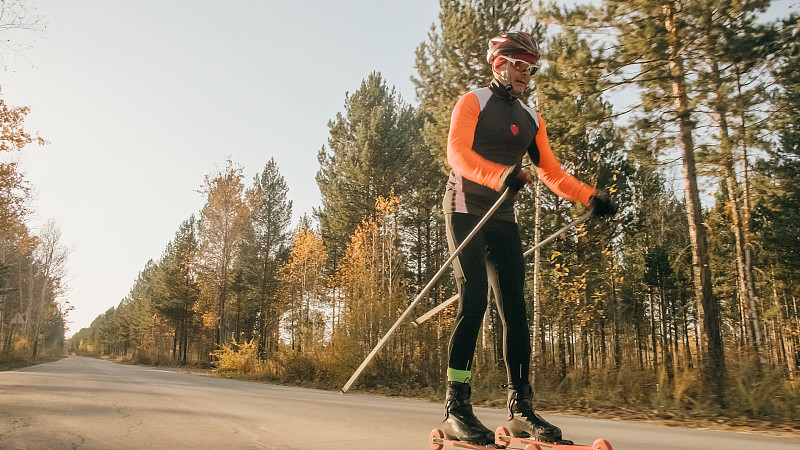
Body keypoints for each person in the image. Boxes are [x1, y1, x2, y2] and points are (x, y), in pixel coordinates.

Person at [440, 31, 616, 446]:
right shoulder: (473, 102)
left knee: (515, 309)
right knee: (474, 299)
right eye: (521, 64)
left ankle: (520, 407)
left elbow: (551, 172)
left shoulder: (531, 117)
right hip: (464, 209)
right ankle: (457, 406)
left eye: (531, 67)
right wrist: (499, 174)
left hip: (502, 217)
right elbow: (457, 154)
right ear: (498, 62)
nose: (527, 73)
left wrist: (590, 196)